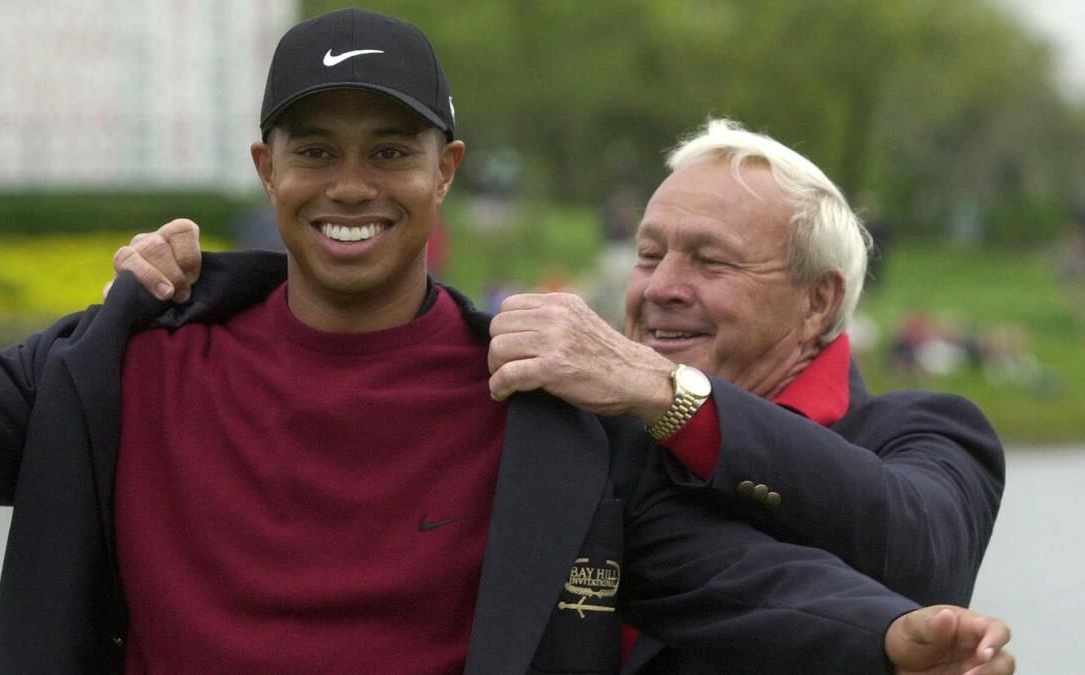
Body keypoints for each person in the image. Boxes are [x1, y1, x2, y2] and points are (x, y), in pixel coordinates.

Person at [0, 9, 1014, 674]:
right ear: (262, 170)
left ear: (447, 173)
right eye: (314, 150)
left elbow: (730, 578)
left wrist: (886, 640)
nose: (350, 184)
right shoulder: (130, 363)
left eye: (390, 150)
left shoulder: (542, 408)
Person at [126, 119, 1010, 671]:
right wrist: (201, 297)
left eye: (708, 259)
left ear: (820, 299)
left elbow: (918, 556)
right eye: (650, 252)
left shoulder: (925, 430)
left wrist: (665, 391)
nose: (660, 285)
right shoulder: (580, 441)